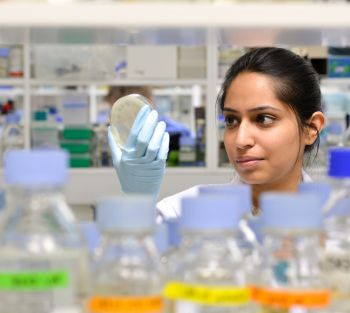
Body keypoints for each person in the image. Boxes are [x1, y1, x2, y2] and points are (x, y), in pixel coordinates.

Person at [108, 47, 326, 220]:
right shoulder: (182, 212)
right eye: (231, 120)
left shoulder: (336, 220)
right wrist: (137, 204)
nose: (241, 140)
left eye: (263, 119)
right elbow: (122, 272)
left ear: (311, 128)